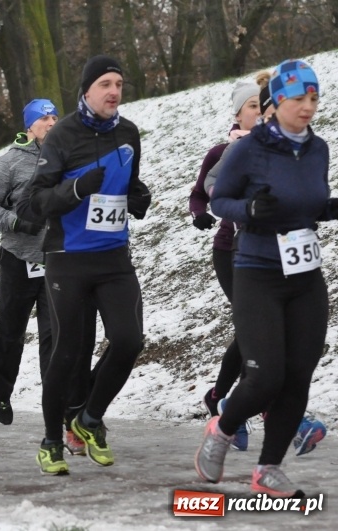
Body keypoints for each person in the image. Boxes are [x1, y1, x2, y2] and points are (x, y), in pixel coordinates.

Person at [198, 59, 333, 498]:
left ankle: (268, 469)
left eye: (313, 98)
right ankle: (223, 426)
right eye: (299, 99)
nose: (308, 107)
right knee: (265, 376)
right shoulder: (248, 150)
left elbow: (308, 202)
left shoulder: (318, 149)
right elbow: (220, 202)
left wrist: (329, 208)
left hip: (305, 274)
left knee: (298, 375)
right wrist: (250, 211)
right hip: (257, 271)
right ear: (274, 104)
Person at [26, 55, 151, 475]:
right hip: (68, 259)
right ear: (86, 91)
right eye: (105, 84)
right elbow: (36, 202)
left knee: (129, 340)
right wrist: (76, 187)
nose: (114, 91)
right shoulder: (62, 135)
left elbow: (131, 188)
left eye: (118, 83)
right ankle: (49, 440)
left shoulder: (130, 133)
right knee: (68, 353)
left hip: (114, 257)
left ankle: (89, 418)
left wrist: (139, 198)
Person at [189, 79, 261, 451]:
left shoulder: (277, 150)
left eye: (263, 104)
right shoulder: (222, 152)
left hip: (267, 252)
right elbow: (199, 194)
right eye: (251, 105)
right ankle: (241, 402)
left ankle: (223, 395)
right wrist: (199, 214)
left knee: (260, 327)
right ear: (237, 114)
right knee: (252, 326)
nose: (259, 110)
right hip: (230, 252)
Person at [0, 98, 57, 425]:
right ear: (29, 126)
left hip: (57, 260)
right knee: (11, 332)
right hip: (18, 259)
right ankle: (1, 391)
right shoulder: (9, 163)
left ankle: (54, 405)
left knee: (55, 335)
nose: (52, 122)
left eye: (56, 116)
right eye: (45, 118)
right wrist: (15, 223)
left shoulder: (65, 159)